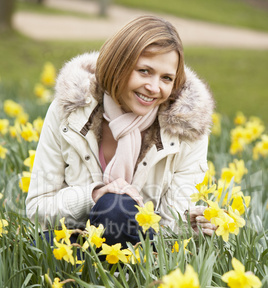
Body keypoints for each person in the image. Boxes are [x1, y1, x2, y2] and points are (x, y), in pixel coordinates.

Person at [26, 15, 216, 248]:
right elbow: (37, 210)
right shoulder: (70, 111)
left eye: (166, 78)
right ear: (118, 64)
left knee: (116, 210)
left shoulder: (185, 130)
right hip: (76, 240)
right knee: (100, 211)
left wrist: (192, 224)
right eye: (144, 71)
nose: (154, 87)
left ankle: (107, 278)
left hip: (144, 251)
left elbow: (169, 230)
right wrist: (93, 196)